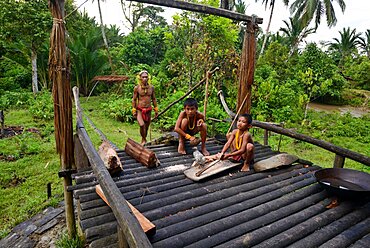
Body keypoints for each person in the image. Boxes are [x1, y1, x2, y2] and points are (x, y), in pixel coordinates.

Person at [132, 70, 158, 145]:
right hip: (140, 110)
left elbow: (154, 99)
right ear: (140, 78)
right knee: (141, 125)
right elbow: (134, 99)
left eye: (146, 77)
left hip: (148, 110)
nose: (145, 79)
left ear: (148, 78)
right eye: (143, 77)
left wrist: (156, 109)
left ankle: (144, 139)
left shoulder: (151, 88)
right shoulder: (137, 88)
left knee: (146, 127)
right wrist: (134, 109)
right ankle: (143, 139)